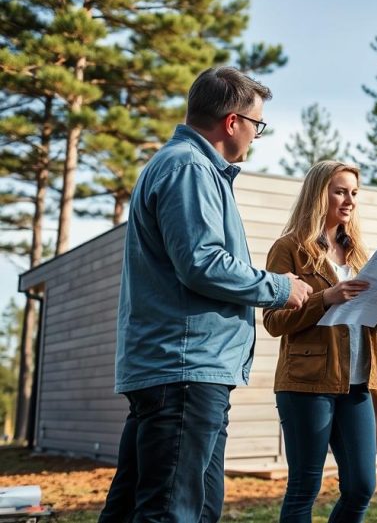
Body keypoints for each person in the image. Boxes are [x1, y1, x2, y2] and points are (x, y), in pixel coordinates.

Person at [98, 66, 314, 522]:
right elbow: (202, 264)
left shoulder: (183, 166)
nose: (257, 135)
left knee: (148, 504)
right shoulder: (190, 168)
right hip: (185, 370)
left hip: (178, 370)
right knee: (174, 511)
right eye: (258, 124)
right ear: (232, 121)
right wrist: (279, 286)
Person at [263, 160, 377, 523]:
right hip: (306, 383)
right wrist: (325, 298)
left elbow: (369, 324)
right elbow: (273, 321)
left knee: (362, 486)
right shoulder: (288, 249)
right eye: (340, 191)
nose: (349, 200)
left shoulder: (361, 255)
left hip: (357, 383)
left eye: (354, 193)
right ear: (319, 194)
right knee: (304, 487)